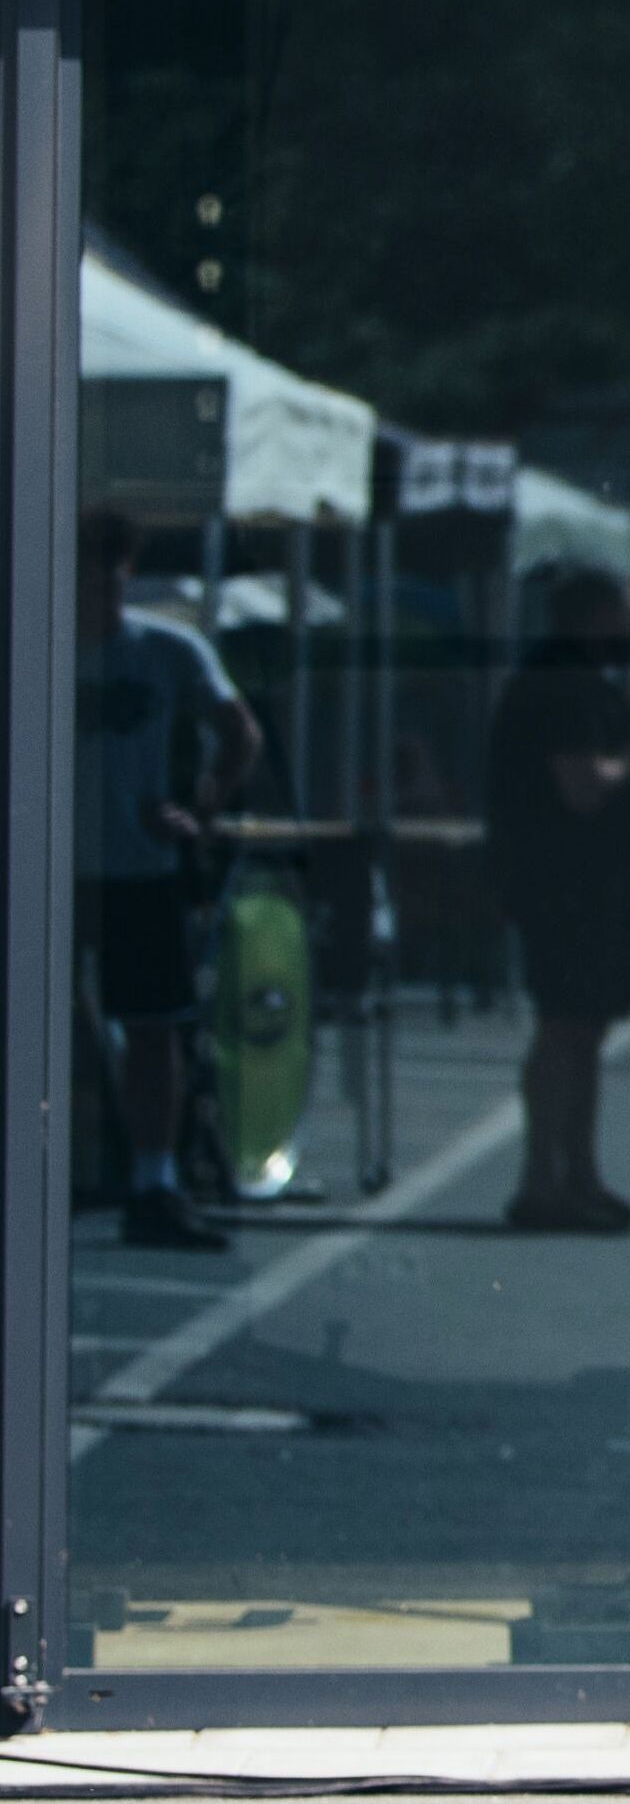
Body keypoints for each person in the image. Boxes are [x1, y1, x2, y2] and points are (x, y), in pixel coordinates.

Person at [78, 510, 261, 1251]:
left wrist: (201, 803)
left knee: (154, 1025)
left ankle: (156, 1179)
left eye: (111, 580)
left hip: (136, 863)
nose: (100, 596)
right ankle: (79, 1166)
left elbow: (238, 730)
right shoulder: (30, 635)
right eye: (86, 580)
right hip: (49, 867)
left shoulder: (163, 648)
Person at [488, 565, 630, 1233]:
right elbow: (584, 785)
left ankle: (580, 1176)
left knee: (584, 1028)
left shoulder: (586, 683)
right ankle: (541, 1179)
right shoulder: (565, 684)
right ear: (597, 616)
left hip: (590, 883)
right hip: (562, 884)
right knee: (564, 1025)